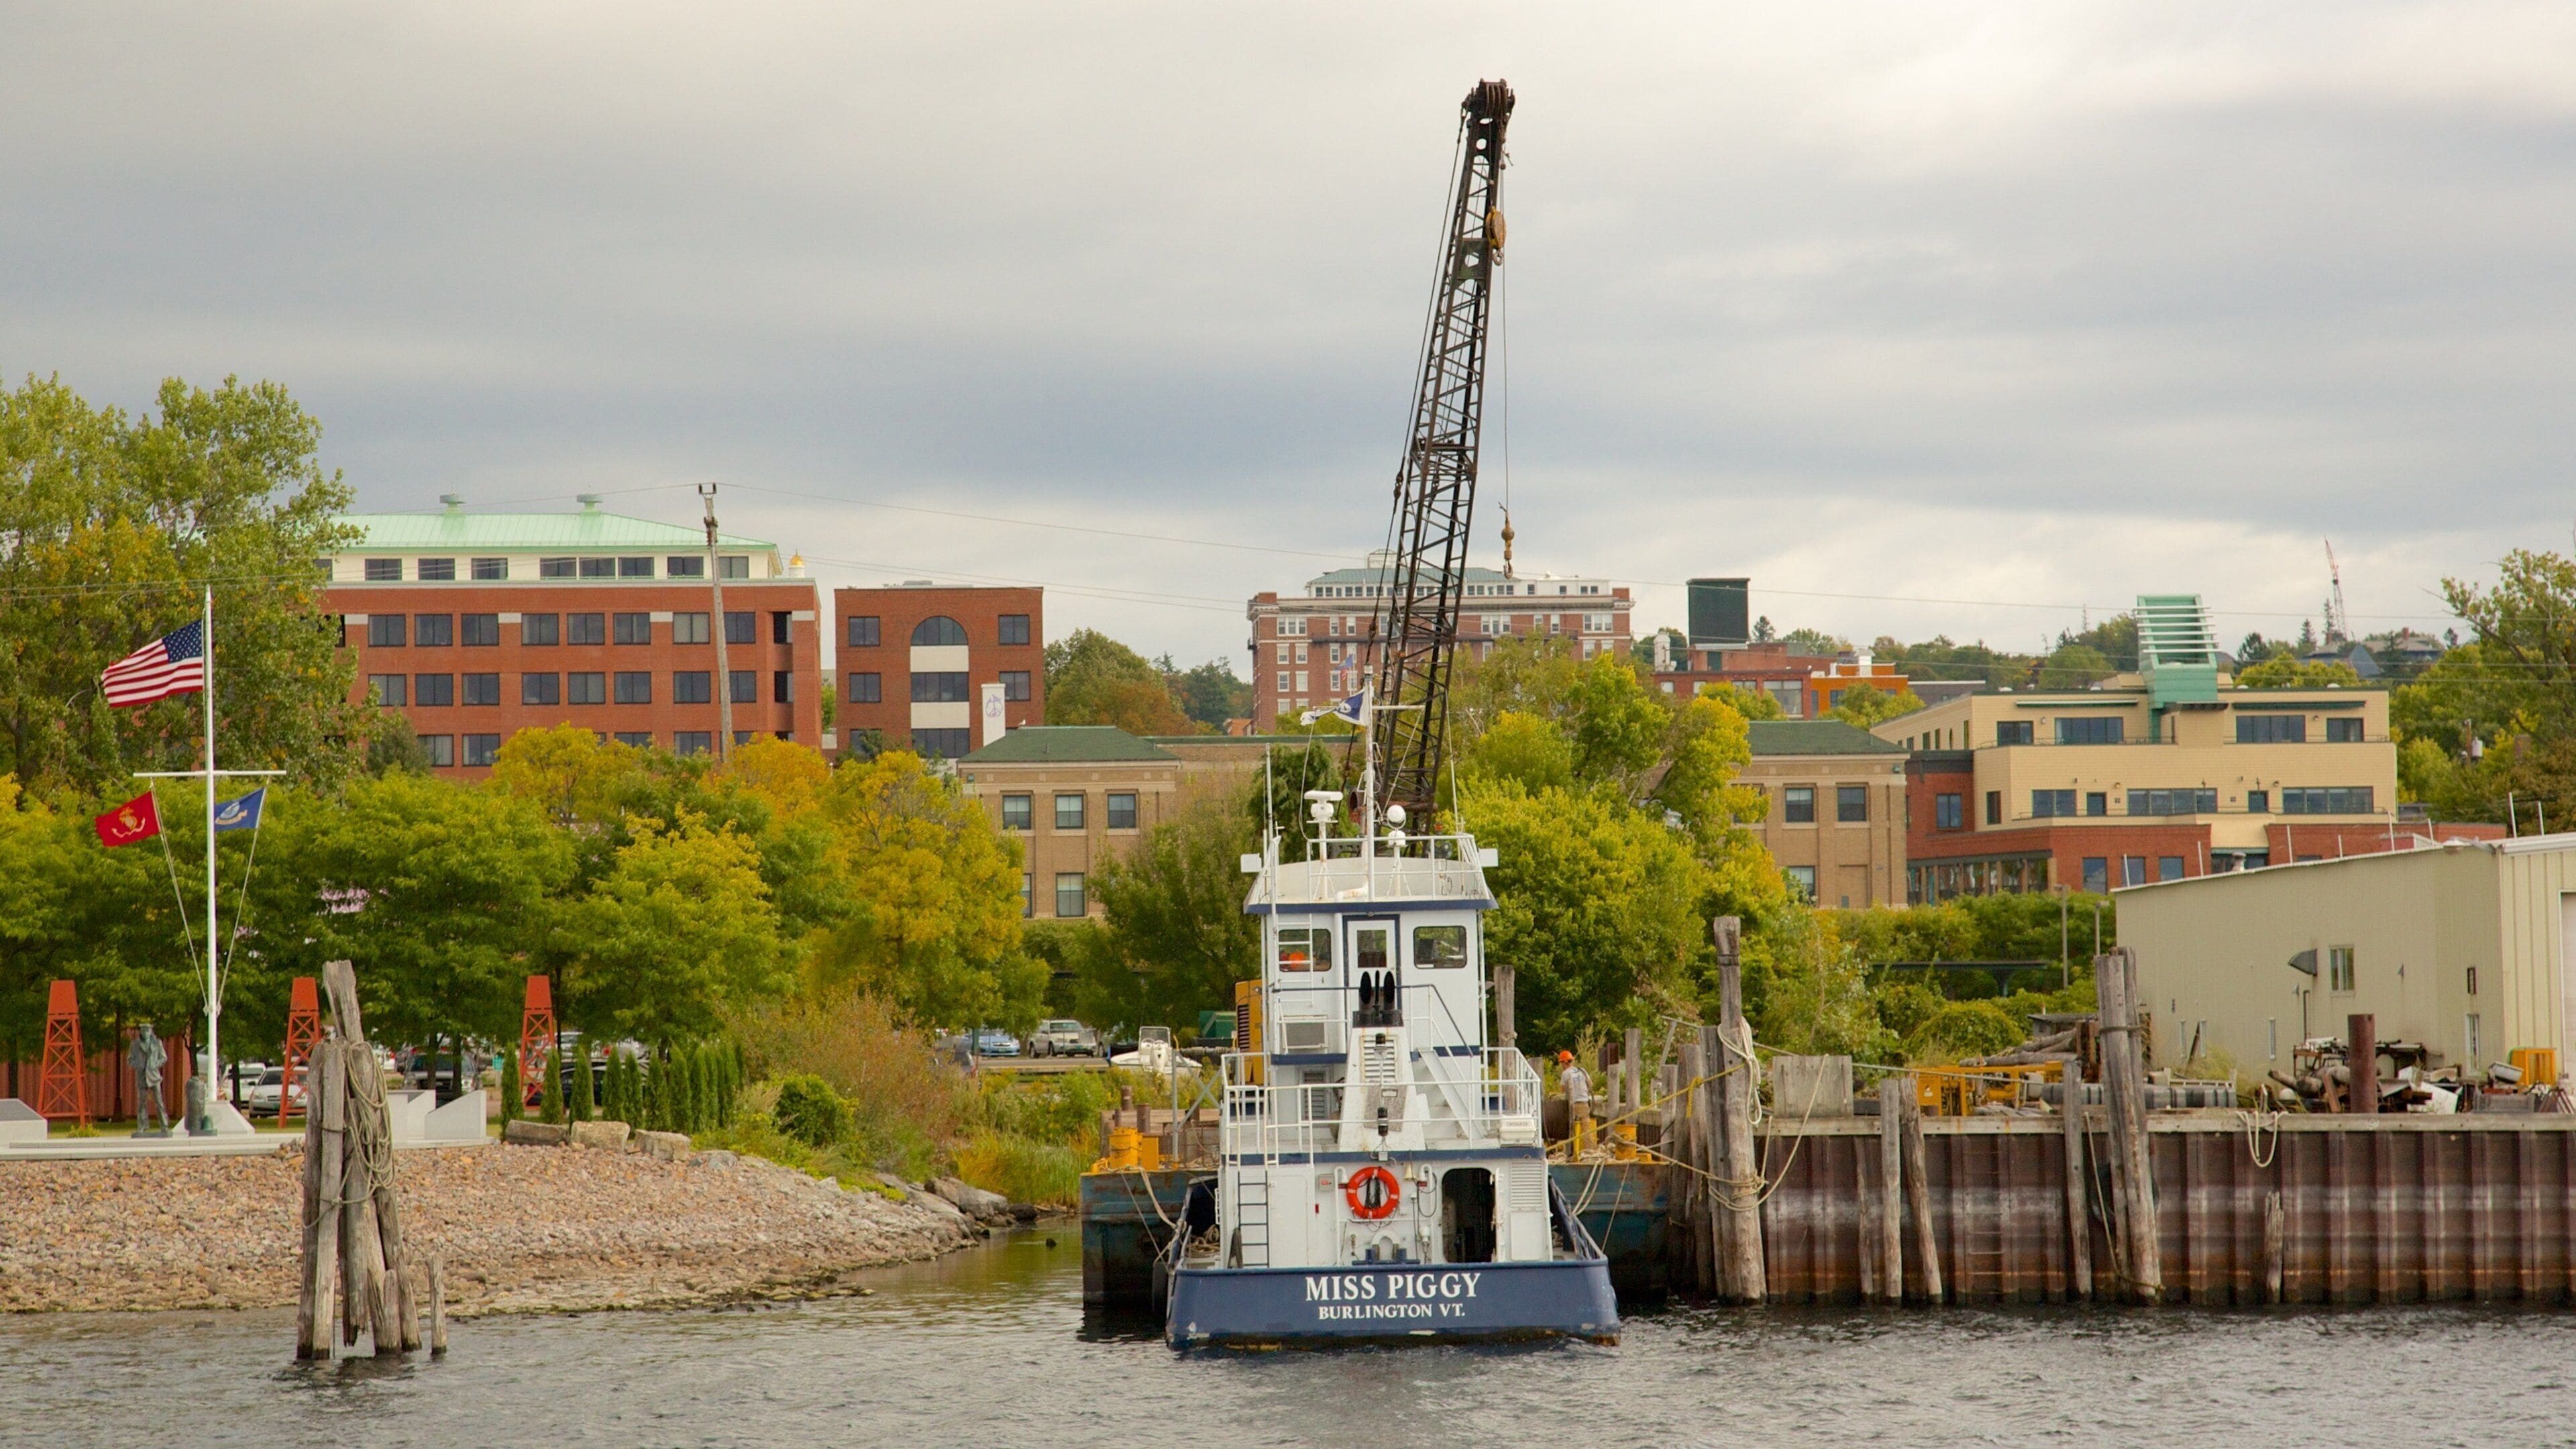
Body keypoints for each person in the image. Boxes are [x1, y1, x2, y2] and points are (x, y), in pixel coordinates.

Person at [1558, 1049, 1593, 1154]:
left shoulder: (1565, 1074)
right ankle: (1590, 1150)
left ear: (1564, 1062)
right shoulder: (1582, 1070)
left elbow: (1563, 1090)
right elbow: (1590, 1084)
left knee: (1571, 1128)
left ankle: (1571, 1152)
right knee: (1586, 1127)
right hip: (1585, 1103)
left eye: (1561, 1063)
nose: (1561, 1065)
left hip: (1574, 1104)